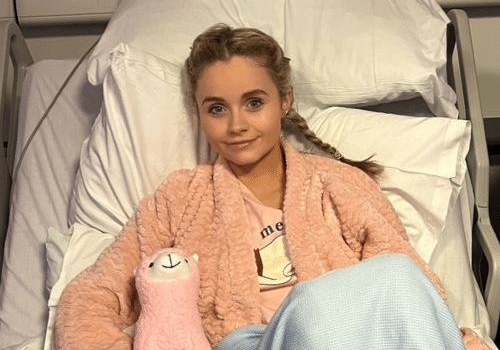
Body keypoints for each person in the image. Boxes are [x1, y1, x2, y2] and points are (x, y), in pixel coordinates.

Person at [54, 24, 491, 350]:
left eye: (254, 103)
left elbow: (409, 288)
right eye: (217, 109)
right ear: (199, 114)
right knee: (314, 305)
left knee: (395, 274)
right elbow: (91, 295)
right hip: (251, 341)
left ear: (284, 101)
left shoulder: (339, 185)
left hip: (348, 338)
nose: (237, 125)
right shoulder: (179, 200)